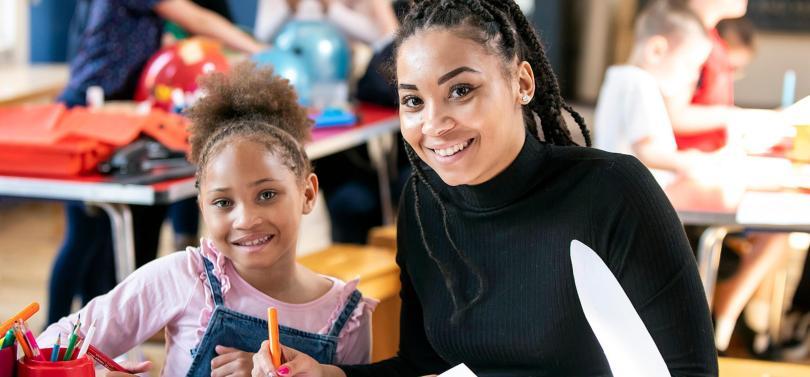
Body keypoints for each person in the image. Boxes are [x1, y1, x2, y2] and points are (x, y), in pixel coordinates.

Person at [252, 0, 717, 376]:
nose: (434, 124)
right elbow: (423, 366)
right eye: (413, 100)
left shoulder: (614, 193)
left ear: (521, 82)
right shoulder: (423, 204)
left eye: (460, 91)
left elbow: (690, 370)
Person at [39, 63, 377, 377]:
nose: (246, 218)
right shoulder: (182, 278)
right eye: (223, 202)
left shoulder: (347, 316)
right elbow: (51, 347)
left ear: (307, 193)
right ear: (202, 207)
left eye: (267, 194)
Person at [48, 0, 267, 326]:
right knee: (85, 236)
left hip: (114, 115)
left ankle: (91, 337)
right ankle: (50, 332)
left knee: (105, 239)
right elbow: (197, 16)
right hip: (86, 114)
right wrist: (258, 50)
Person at [595, 0, 713, 187]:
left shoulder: (619, 77)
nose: (693, 76)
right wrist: (691, 161)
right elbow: (646, 152)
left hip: (616, 189)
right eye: (690, 65)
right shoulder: (640, 83)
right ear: (656, 50)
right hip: (636, 196)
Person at [665, 0, 788, 153]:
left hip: (708, 156)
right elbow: (673, 116)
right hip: (683, 162)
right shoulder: (683, 36)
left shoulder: (711, 36)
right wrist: (738, 116)